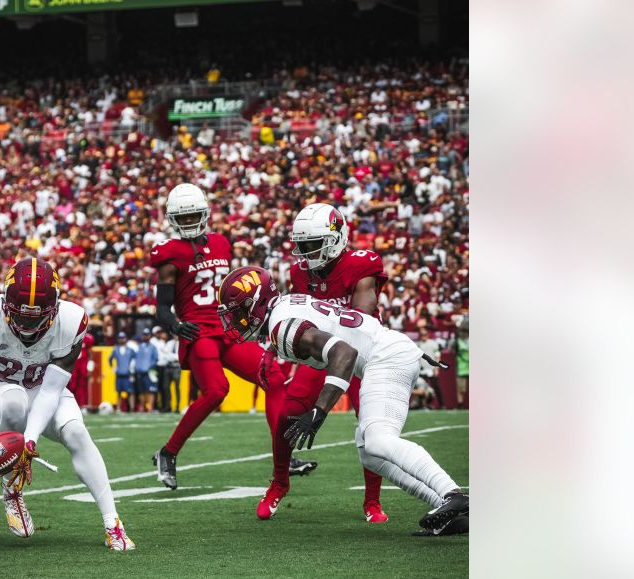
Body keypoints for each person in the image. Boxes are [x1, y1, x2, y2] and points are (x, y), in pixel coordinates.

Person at [217, 265, 469, 535]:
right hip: (387, 351)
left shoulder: (281, 325)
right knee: (370, 454)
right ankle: (447, 511)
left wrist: (319, 411)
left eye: (239, 313)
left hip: (384, 358)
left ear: (256, 304)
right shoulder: (286, 306)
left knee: (378, 440)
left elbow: (344, 353)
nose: (235, 322)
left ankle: (453, 494)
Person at [0, 258, 134, 551]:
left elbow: (50, 392)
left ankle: (113, 523)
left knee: (75, 432)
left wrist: (30, 441)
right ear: (5, 303)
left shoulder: (72, 321)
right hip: (0, 391)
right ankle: (11, 491)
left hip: (47, 390)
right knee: (13, 402)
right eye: (21, 316)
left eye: (36, 317)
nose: (26, 324)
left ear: (55, 306)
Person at [148, 183, 308, 489]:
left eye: (193, 215)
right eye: (183, 218)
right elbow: (162, 309)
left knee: (273, 376)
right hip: (198, 331)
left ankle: (283, 456)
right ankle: (168, 453)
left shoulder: (221, 243)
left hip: (227, 328)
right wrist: (176, 326)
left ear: (205, 212)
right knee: (216, 391)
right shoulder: (169, 255)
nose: (189, 222)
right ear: (171, 219)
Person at [259, 204, 388, 523]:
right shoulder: (299, 272)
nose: (305, 253)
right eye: (301, 245)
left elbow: (359, 320)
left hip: (362, 353)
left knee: (370, 424)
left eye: (311, 245)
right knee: (289, 412)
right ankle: (279, 483)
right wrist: (273, 349)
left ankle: (372, 501)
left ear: (334, 238)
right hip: (324, 351)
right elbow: (298, 319)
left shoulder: (362, 264)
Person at [151, 327, 180, 413]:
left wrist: (170, 355)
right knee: (165, 387)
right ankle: (168, 406)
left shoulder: (181, 343)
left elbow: (178, 357)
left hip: (176, 367)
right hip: (168, 367)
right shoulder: (169, 343)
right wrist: (172, 356)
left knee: (177, 388)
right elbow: (165, 355)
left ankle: (177, 406)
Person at [108, 331, 136, 413]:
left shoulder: (131, 350)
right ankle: (118, 408)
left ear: (126, 339)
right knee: (119, 392)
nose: (122, 339)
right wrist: (113, 367)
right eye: (120, 338)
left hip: (128, 374)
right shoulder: (115, 349)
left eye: (123, 338)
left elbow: (134, 359)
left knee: (130, 392)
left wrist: (132, 369)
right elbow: (110, 359)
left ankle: (132, 409)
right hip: (119, 374)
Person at [133, 331, 158, 412]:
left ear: (150, 336)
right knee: (141, 390)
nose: (145, 336)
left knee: (150, 390)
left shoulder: (153, 347)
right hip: (140, 371)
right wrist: (137, 368)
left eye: (147, 335)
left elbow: (155, 359)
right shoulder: (139, 346)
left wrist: (149, 367)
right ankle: (142, 406)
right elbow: (136, 359)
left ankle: (150, 407)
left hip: (150, 372)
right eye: (144, 335)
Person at [455, 316, 469, 408]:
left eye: (465, 331)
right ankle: (460, 404)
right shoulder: (458, 341)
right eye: (462, 331)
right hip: (461, 368)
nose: (464, 333)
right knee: (461, 389)